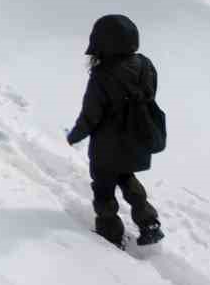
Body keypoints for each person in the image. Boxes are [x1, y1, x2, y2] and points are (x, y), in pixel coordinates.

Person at [67, 15, 165, 250]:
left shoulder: (102, 74)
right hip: (138, 137)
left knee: (103, 188)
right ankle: (149, 223)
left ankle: (110, 233)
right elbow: (149, 93)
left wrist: (75, 135)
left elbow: (92, 114)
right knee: (127, 177)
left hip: (107, 144)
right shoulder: (145, 64)